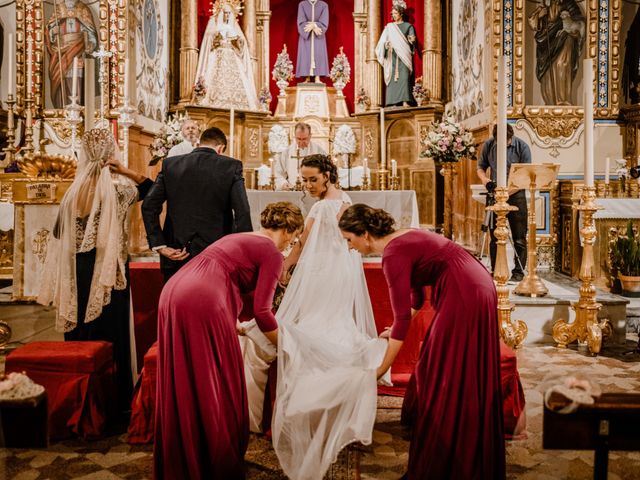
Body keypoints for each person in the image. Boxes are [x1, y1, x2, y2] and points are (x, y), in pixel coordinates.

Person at [339, 204, 505, 479]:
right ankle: (457, 437)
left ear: (365, 234)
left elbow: (403, 318)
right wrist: (393, 329)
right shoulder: (399, 241)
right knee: (433, 365)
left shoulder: (392, 253)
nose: (349, 247)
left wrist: (379, 370)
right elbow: (415, 300)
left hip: (465, 292)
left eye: (349, 239)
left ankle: (452, 450)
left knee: (445, 370)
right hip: (472, 285)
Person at [154, 202, 304, 480]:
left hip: (175, 291)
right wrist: (285, 346)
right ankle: (211, 455)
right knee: (215, 376)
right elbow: (262, 311)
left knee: (186, 375)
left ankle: (186, 452)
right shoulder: (271, 251)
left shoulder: (238, 236)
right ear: (287, 229)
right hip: (203, 299)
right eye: (292, 238)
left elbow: (222, 271)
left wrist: (233, 319)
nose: (289, 244)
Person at [271, 155, 388, 480]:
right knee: (336, 323)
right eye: (304, 180)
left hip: (321, 272)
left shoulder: (322, 207)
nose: (307, 186)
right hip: (343, 271)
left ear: (327, 175)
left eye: (312, 179)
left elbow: (305, 241)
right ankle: (343, 400)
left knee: (313, 325)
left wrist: (286, 264)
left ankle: (317, 392)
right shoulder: (346, 199)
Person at [38, 128, 153, 414]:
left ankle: (77, 399)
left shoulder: (70, 194)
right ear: (110, 154)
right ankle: (112, 402)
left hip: (77, 270)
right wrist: (124, 170)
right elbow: (151, 188)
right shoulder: (120, 191)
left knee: (80, 330)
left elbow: (57, 231)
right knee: (109, 333)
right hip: (107, 272)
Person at [142, 126, 253, 282]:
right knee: (211, 303)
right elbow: (242, 212)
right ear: (220, 148)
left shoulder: (170, 165)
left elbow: (149, 206)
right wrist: (244, 251)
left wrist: (159, 244)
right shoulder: (231, 166)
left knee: (177, 301)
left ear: (199, 143)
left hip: (177, 253)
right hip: (217, 253)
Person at [477, 123, 531, 282]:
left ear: (510, 137)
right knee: (494, 235)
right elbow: (480, 167)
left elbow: (525, 177)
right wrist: (485, 180)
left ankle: (518, 272)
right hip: (494, 193)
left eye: (506, 142)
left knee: (519, 236)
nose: (503, 145)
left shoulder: (522, 147)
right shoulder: (488, 145)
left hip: (516, 194)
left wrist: (507, 192)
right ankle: (496, 268)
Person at [194, 0, 258, 110]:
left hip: (232, 58)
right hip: (217, 57)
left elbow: (242, 44)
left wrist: (239, 41)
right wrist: (216, 37)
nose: (227, 15)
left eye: (229, 13)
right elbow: (208, 42)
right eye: (225, 13)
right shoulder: (213, 24)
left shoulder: (234, 27)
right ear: (220, 13)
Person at [527, 0, 585, 105]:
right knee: (547, 72)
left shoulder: (569, 4)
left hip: (565, 39)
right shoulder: (545, 7)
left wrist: (569, 23)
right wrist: (539, 12)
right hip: (547, 44)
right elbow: (535, 25)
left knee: (561, 64)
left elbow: (579, 24)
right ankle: (551, 102)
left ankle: (563, 100)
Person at [45, 0, 98, 108]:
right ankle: (61, 108)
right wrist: (53, 32)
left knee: (78, 79)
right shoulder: (58, 9)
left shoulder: (83, 9)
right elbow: (49, 32)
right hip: (61, 53)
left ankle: (78, 107)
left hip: (78, 50)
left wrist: (88, 44)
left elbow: (90, 32)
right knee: (61, 79)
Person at [375, 0, 417, 107]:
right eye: (392, 14)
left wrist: (412, 40)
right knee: (393, 78)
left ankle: (405, 101)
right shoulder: (389, 27)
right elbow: (382, 42)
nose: (393, 16)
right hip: (392, 56)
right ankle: (392, 102)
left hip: (404, 55)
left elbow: (412, 40)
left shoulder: (408, 26)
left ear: (401, 13)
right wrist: (386, 45)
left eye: (395, 13)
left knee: (404, 77)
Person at [273, 122, 326, 190]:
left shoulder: (319, 151)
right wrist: (283, 183)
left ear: (310, 136)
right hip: (292, 190)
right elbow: (278, 173)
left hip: (314, 190)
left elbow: (326, 172)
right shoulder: (287, 152)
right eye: (298, 139)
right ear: (295, 136)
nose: (301, 142)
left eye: (304, 139)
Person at [296, 0, 329, 82]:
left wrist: (314, 25)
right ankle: (307, 77)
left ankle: (317, 76)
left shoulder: (324, 5)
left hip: (318, 36)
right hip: (306, 35)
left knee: (318, 53)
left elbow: (324, 21)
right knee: (305, 53)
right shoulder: (302, 5)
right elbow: (301, 20)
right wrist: (310, 26)